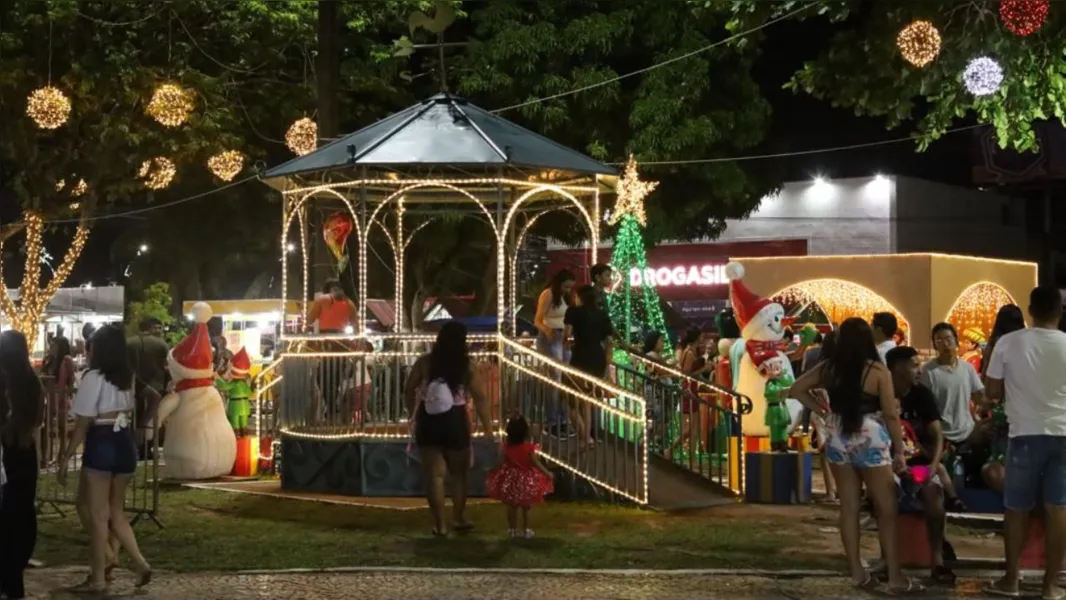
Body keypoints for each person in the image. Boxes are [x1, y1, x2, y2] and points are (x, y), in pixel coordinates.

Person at [788, 318, 919, 594]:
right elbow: (891, 415)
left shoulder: (829, 368)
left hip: (837, 435)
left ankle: (857, 573)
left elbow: (797, 388)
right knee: (886, 507)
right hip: (870, 436)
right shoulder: (877, 371)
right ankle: (895, 577)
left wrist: (824, 412)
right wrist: (899, 450)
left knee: (848, 506)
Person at [982, 285, 1066, 600]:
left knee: (1016, 509)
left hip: (1024, 435)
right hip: (1063, 434)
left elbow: (991, 392)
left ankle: (1011, 581)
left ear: (1030, 310)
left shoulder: (1009, 342)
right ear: (1060, 311)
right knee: (1058, 508)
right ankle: (1051, 587)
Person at [57, 324, 153, 593]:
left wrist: (66, 457)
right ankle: (140, 563)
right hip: (123, 439)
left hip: (102, 440)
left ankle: (99, 577)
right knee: (117, 513)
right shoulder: (127, 377)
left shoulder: (93, 377)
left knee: (98, 516)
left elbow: (84, 421)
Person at [404, 322, 494, 537]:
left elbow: (408, 389)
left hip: (429, 420)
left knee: (434, 477)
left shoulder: (425, 362)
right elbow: (480, 399)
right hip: (456, 420)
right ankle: (459, 518)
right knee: (459, 475)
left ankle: (440, 525)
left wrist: (412, 413)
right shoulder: (467, 365)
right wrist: (488, 429)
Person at [885, 346, 955, 585]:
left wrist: (934, 464)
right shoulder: (880, 393)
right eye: (914, 365)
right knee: (886, 496)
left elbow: (937, 434)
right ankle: (889, 561)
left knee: (934, 497)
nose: (919, 370)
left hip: (919, 465)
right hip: (887, 467)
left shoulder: (921, 394)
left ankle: (937, 561)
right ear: (897, 368)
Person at [0, 331, 44, 599]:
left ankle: (6, 574)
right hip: (25, 452)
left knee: (5, 513)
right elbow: (37, 419)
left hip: (5, 451)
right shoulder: (33, 382)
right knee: (23, 512)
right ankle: (15, 571)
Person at [979, 304, 1026, 494]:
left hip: (1002, 406)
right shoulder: (1025, 341)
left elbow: (988, 382)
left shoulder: (997, 344)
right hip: (1025, 405)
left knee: (1000, 454)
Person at [563, 285, 615, 449]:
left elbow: (567, 334)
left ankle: (584, 436)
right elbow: (610, 341)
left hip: (580, 357)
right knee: (588, 400)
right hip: (597, 358)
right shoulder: (602, 315)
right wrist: (607, 360)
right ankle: (588, 438)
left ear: (579, 297)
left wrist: (566, 344)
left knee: (570, 398)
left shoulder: (573, 312)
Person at [486, 415, 554, 538]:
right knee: (526, 507)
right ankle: (526, 529)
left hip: (511, 480)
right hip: (526, 481)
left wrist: (492, 470)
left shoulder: (506, 448)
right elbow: (535, 463)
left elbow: (500, 462)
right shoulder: (528, 448)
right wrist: (547, 473)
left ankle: (512, 529)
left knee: (512, 507)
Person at [921, 323, 986, 448]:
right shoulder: (928, 371)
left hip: (967, 433)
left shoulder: (967, 368)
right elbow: (924, 406)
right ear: (935, 345)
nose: (945, 344)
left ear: (956, 341)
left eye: (948, 339)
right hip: (942, 437)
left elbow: (979, 396)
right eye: (939, 340)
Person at [534, 269, 575, 437]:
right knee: (555, 380)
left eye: (570, 288)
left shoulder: (565, 297)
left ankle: (564, 420)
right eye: (566, 287)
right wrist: (546, 329)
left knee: (565, 379)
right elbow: (537, 319)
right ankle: (552, 421)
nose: (568, 290)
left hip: (563, 338)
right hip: (550, 337)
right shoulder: (548, 294)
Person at [127, 318, 169, 458]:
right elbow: (166, 365)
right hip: (156, 385)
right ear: (151, 328)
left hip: (134, 386)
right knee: (152, 420)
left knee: (135, 416)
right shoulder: (161, 344)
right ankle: (147, 448)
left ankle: (134, 447)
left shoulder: (129, 343)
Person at [41, 334, 75, 465]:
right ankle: (45, 456)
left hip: (61, 397)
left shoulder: (66, 360)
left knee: (62, 428)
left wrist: (69, 393)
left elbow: (71, 380)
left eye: (54, 345)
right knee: (47, 427)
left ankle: (61, 455)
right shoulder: (48, 360)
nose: (52, 348)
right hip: (49, 397)